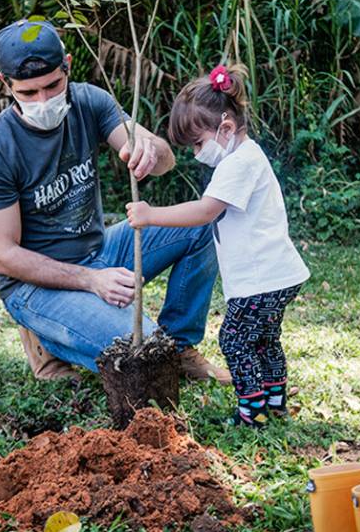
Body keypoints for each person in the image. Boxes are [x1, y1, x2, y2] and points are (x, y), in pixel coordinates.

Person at [0, 19, 228, 383]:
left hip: (100, 252)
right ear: (5, 83)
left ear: (68, 66)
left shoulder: (89, 101)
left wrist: (151, 152)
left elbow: (164, 160)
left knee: (201, 223)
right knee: (145, 354)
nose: (43, 100)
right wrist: (91, 281)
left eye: (53, 85)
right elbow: (4, 256)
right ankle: (48, 337)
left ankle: (181, 346)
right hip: (34, 285)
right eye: (28, 93)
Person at [126, 63, 310, 427]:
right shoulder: (248, 154)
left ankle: (251, 413)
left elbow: (206, 210)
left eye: (198, 143)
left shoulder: (238, 164)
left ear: (225, 127)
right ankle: (274, 400)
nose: (196, 152)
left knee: (235, 341)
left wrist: (150, 214)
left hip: (261, 280)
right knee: (265, 340)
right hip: (278, 274)